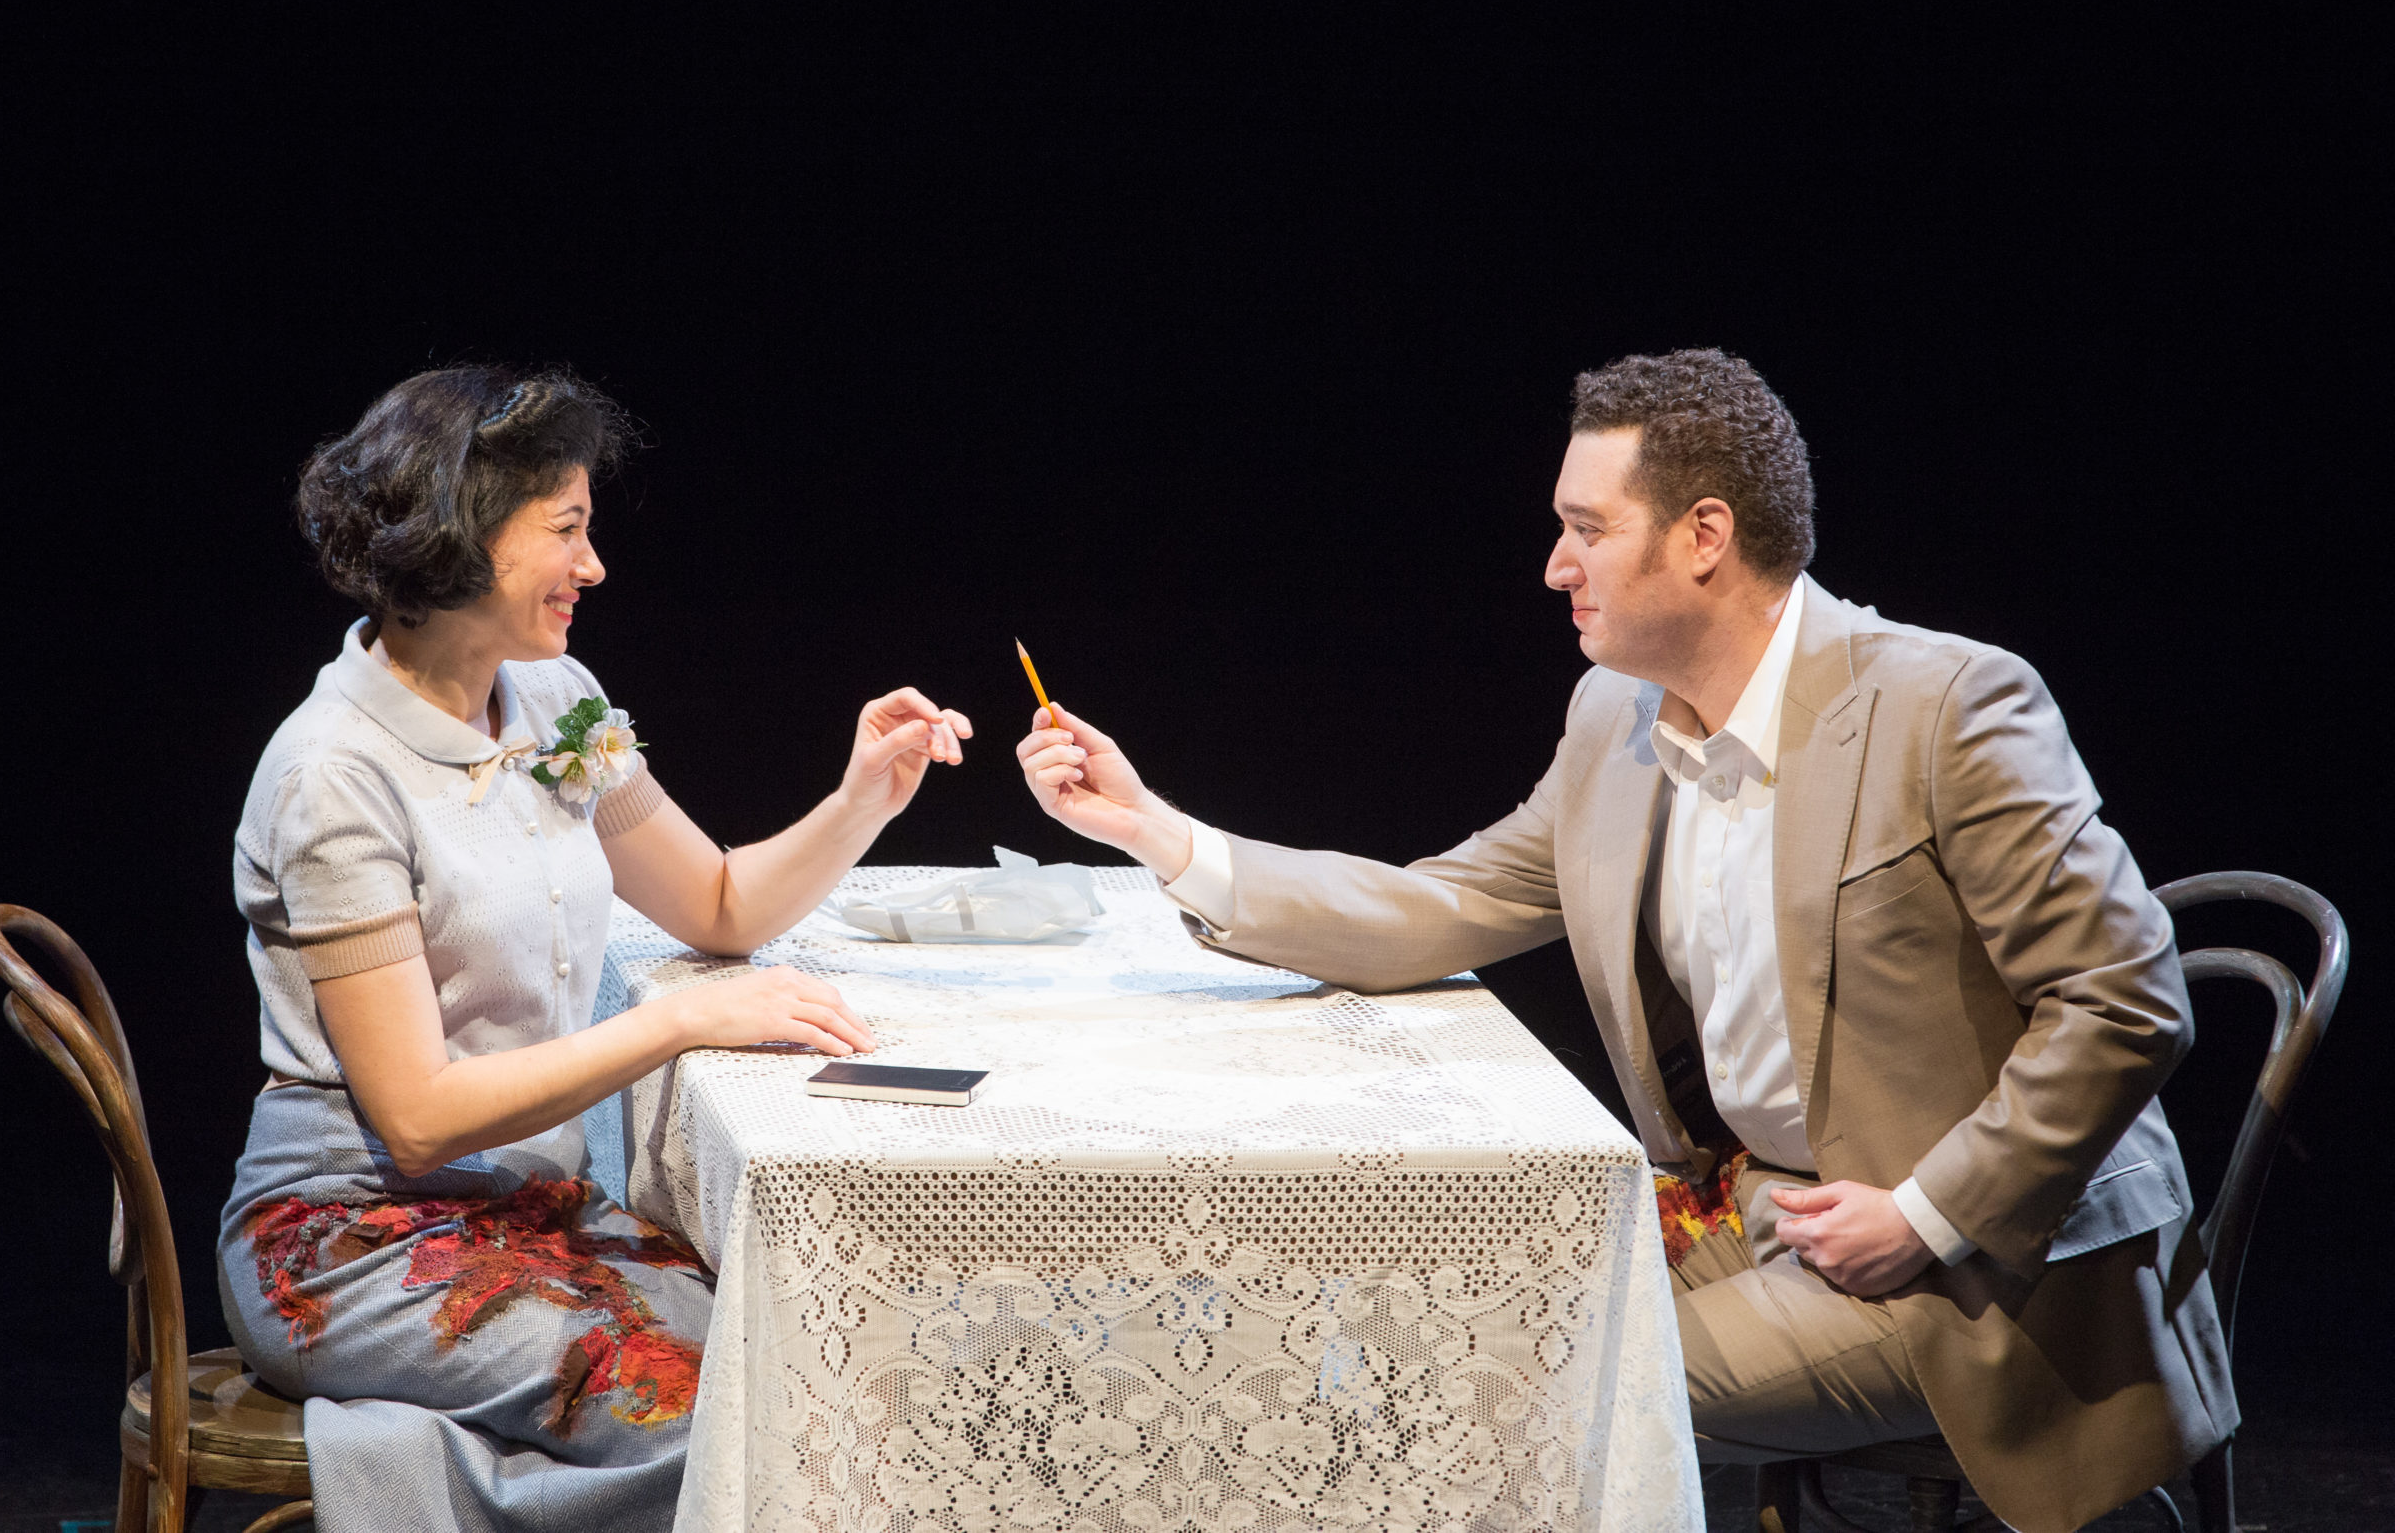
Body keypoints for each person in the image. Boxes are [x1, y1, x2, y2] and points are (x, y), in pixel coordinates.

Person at [1011, 349, 2234, 1533]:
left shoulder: (1943, 706)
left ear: (1704, 536)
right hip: (1752, 1207)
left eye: (1586, 529)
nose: (1555, 567)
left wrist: (1924, 1211)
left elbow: (2122, 999)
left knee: (1524, 1395)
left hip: (1969, 1270)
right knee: (1397, 1331)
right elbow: (1443, 906)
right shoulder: (1619, 718)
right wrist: (1158, 831)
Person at [219, 367, 973, 1532]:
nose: (595, 565)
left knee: (831, 1360)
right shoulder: (336, 776)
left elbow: (717, 903)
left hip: (532, 1208)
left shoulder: (550, 696)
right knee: (738, 1417)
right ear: (462, 536)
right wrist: (677, 1020)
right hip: (353, 1241)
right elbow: (416, 1118)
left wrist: (865, 795)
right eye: (565, 530)